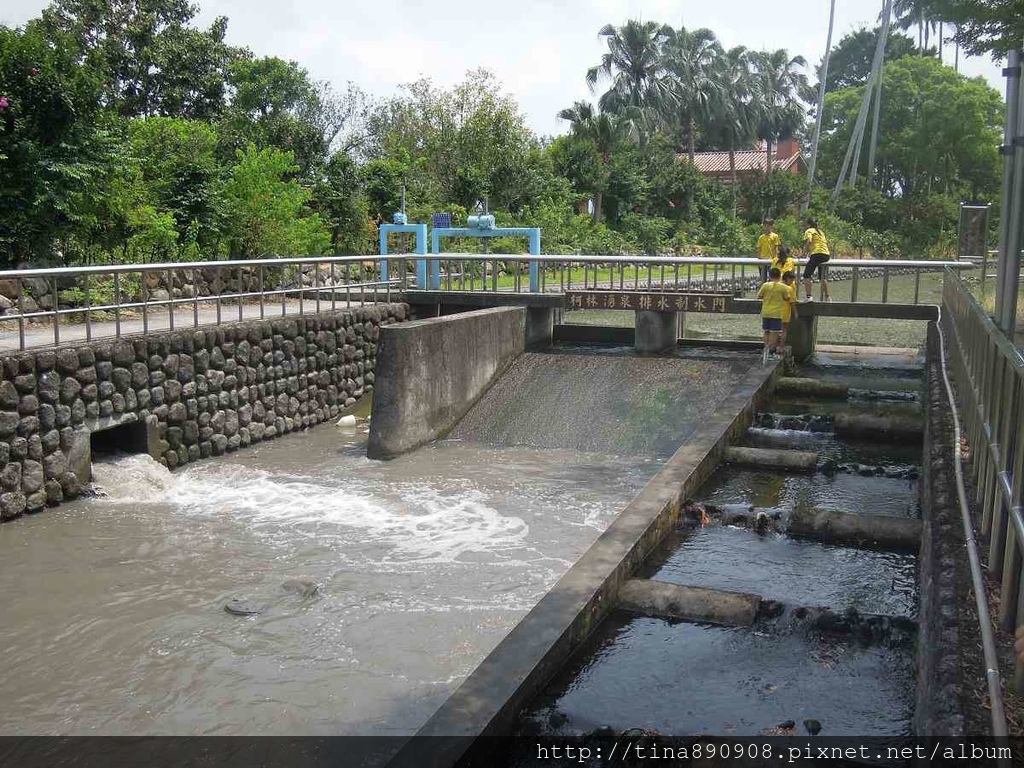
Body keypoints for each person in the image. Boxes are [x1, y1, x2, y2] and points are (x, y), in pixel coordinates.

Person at [757, 266, 789, 363]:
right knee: (774, 333)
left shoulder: (765, 285)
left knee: (766, 331)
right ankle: (771, 353)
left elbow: (759, 296)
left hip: (766, 312)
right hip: (776, 313)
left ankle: (765, 350)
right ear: (780, 276)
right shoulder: (783, 287)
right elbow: (787, 298)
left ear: (770, 276)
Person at [802, 217, 831, 301]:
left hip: (817, 254)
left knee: (806, 275)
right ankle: (827, 297)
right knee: (822, 277)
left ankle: (809, 296)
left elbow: (809, 241)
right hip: (826, 254)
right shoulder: (821, 232)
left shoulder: (809, 230)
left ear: (808, 224)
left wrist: (804, 253)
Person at [780, 270, 798, 352]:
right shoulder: (789, 289)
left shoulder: (777, 286)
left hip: (774, 312)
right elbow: (792, 303)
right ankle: (781, 347)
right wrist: (795, 313)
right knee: (784, 330)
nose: (792, 282)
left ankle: (771, 347)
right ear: (787, 278)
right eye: (791, 280)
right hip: (785, 312)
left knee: (774, 330)